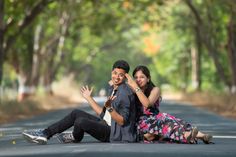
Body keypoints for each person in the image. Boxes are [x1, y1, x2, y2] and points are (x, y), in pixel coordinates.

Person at [22, 60, 137, 144]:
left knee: (80, 121)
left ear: (126, 77)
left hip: (114, 133)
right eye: (115, 73)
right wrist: (88, 98)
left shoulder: (124, 94)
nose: (116, 77)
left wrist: (110, 108)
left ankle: (75, 137)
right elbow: (103, 115)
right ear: (111, 72)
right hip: (106, 124)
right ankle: (45, 133)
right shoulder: (114, 88)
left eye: (121, 75)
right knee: (76, 113)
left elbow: (122, 121)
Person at [125, 65, 213, 144]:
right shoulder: (131, 90)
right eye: (135, 77)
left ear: (148, 78)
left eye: (142, 77)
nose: (138, 80)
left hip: (156, 118)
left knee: (172, 120)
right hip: (142, 123)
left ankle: (202, 136)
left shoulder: (155, 90)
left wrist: (135, 87)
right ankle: (188, 135)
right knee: (164, 120)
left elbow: (147, 104)